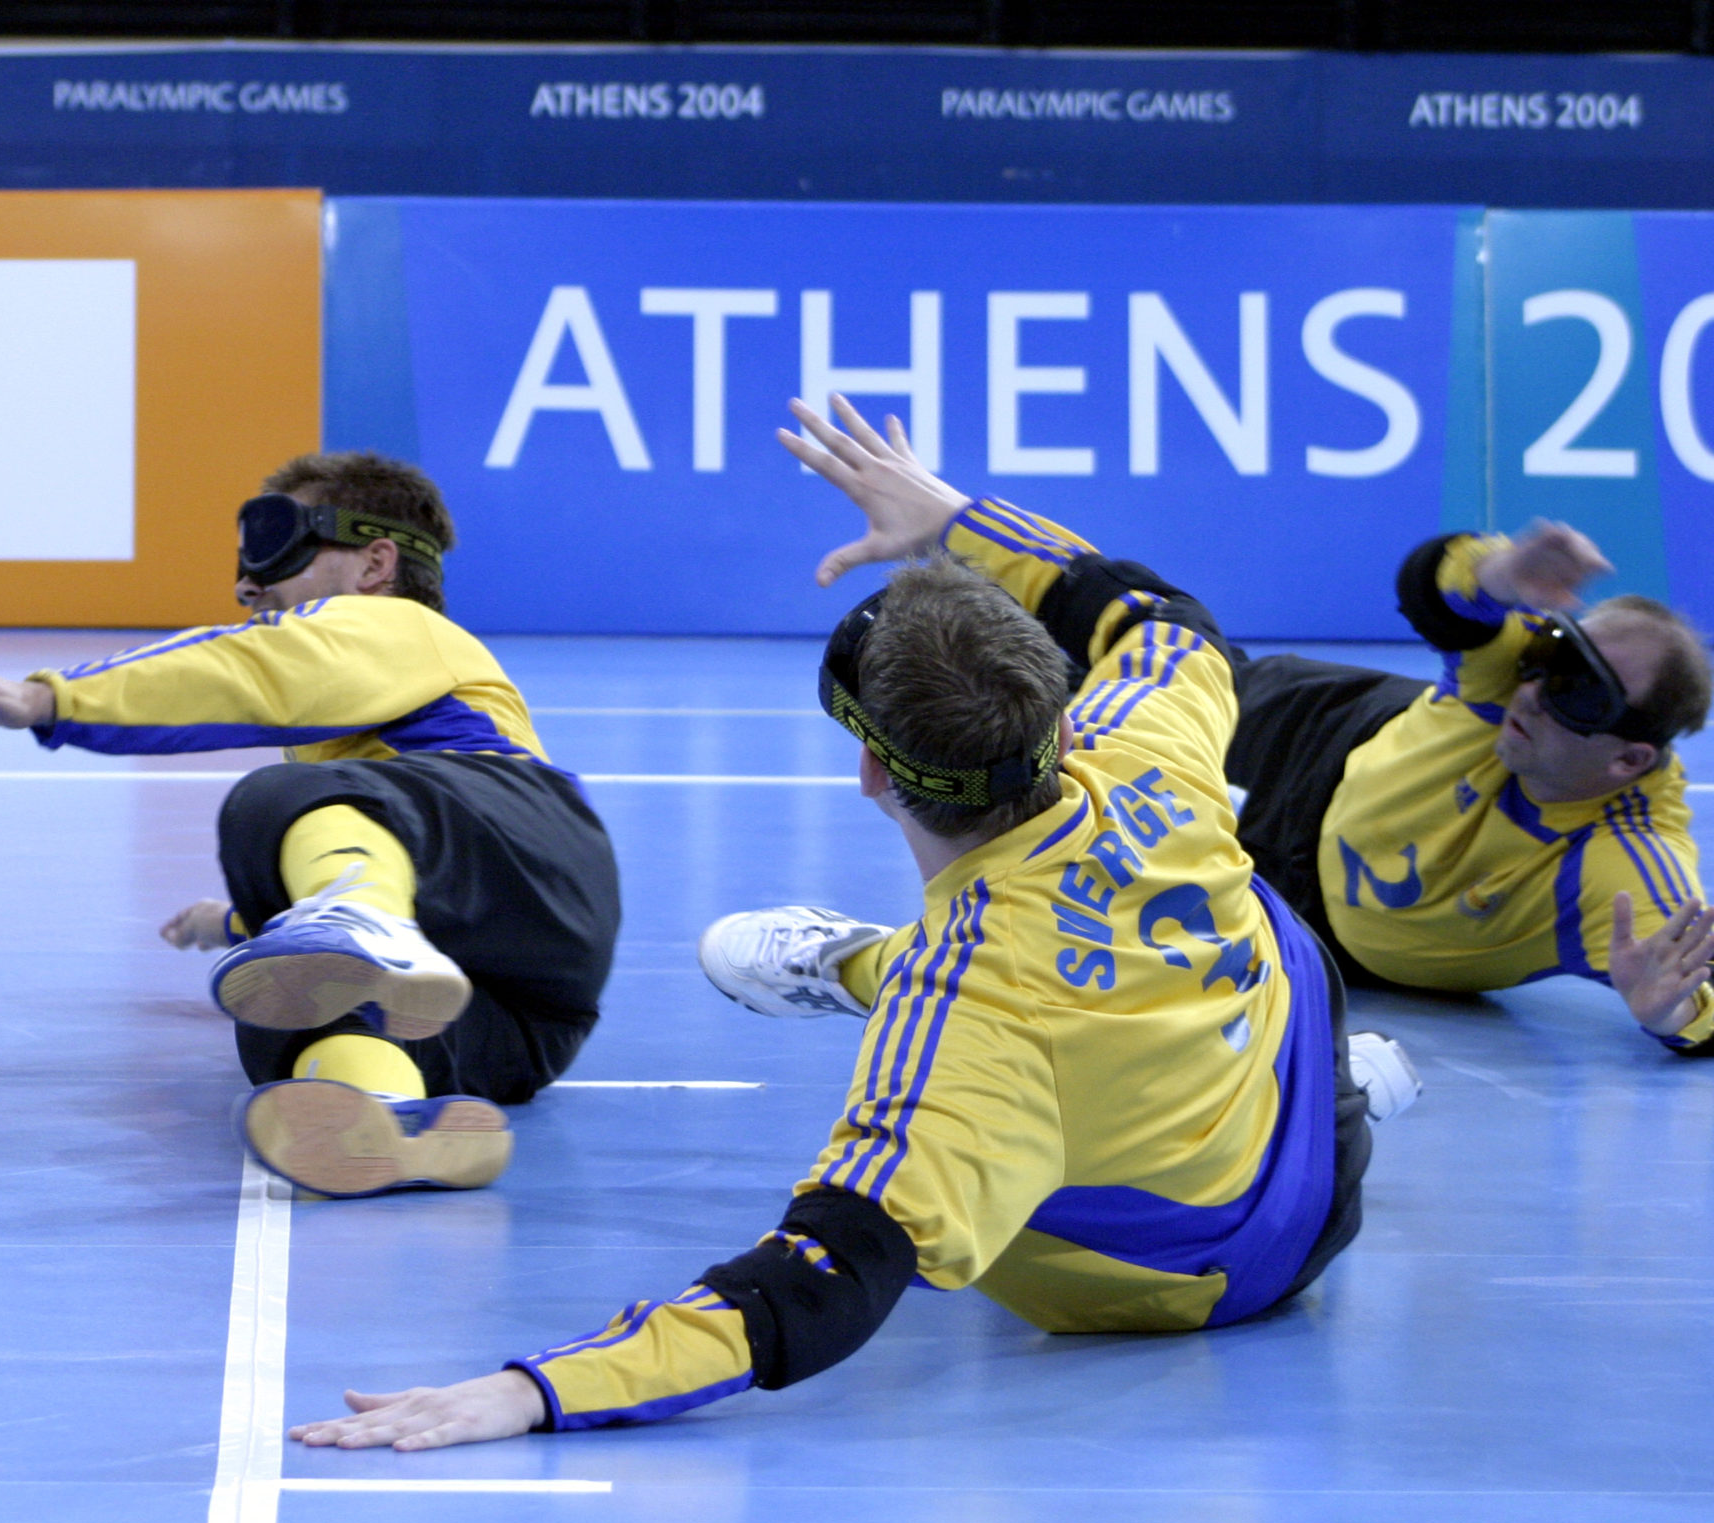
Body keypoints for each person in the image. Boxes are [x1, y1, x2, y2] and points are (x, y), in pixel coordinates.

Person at [287, 396, 1402, 1453]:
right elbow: (1159, 617)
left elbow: (823, 1274)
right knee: (1253, 906)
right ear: (1058, 716)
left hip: (1170, 1286)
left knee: (971, 1054)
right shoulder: (1137, 736)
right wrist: (959, 518)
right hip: (1311, 1147)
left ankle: (857, 962)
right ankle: (1337, 1075)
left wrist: (531, 1391)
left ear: (871, 768)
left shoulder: (965, 1017)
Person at [0, 451, 620, 1198]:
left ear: (375, 563)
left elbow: (253, 670)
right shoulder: (360, 732)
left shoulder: (400, 625)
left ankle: (361, 921)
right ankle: (395, 1123)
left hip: (527, 836)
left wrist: (46, 700)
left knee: (276, 800)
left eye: (276, 544)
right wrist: (237, 921)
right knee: (287, 1016)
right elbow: (419, 859)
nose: (245, 583)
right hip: (525, 1020)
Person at [1224, 523, 1714, 1054]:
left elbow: (1695, 996)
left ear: (1629, 759)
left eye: (1578, 693)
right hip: (1313, 741)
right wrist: (1501, 572)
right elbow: (1435, 589)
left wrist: (1671, 1016)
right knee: (1157, 659)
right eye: (1553, 655)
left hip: (1304, 924)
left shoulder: (1621, 865)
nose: (1531, 694)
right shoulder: (1513, 674)